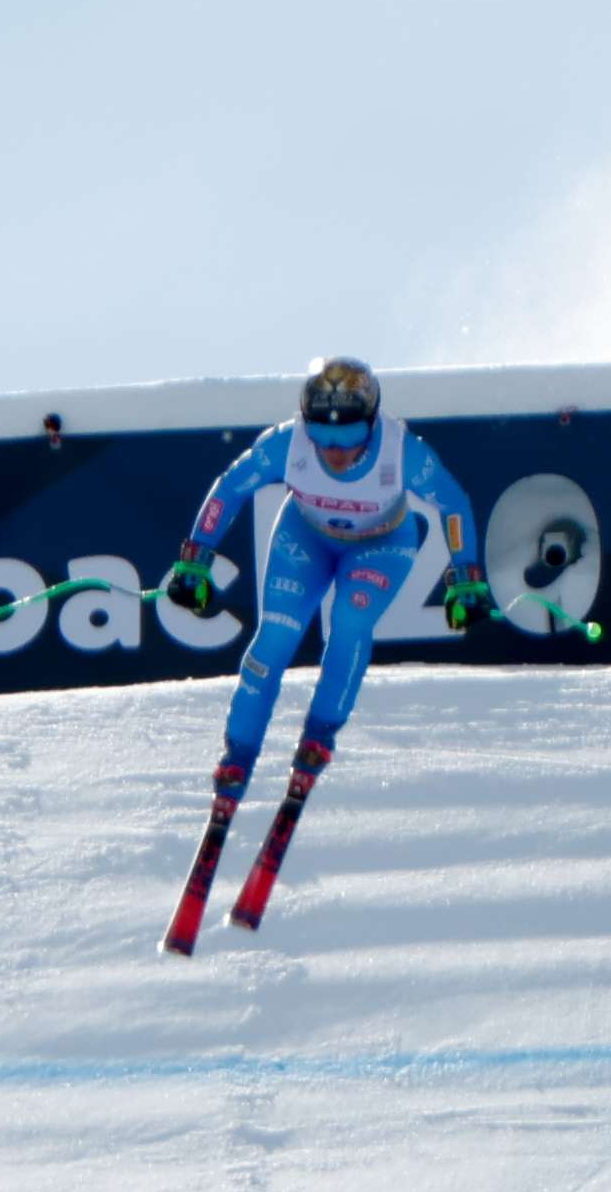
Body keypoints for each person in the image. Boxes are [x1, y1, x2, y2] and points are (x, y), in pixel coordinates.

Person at [156, 355, 488, 951]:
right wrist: (193, 556)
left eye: (349, 436)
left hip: (382, 545)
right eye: (324, 435)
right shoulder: (288, 444)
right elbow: (229, 487)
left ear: (372, 421)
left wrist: (466, 575)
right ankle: (238, 759)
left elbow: (454, 501)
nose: (335, 451)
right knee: (273, 641)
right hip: (305, 537)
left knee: (352, 623)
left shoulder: (401, 449)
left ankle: (318, 740)